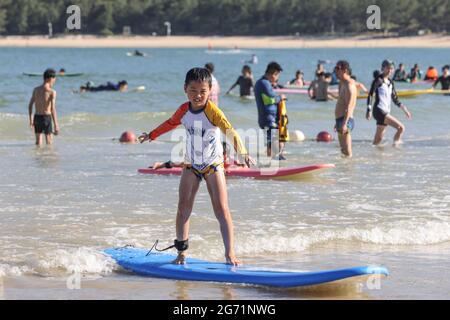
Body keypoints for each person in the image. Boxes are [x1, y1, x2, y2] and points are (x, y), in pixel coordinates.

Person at [138, 67, 253, 266]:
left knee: (222, 210)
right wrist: (152, 135)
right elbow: (170, 123)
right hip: (191, 165)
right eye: (193, 90)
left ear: (210, 91)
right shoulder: (184, 110)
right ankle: (181, 254)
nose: (198, 95)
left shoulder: (213, 111)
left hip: (213, 165)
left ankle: (230, 255)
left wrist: (242, 152)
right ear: (185, 89)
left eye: (202, 91)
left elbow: (230, 130)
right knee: (183, 208)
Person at [366, 60, 412, 146]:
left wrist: (404, 109)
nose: (390, 70)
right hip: (379, 111)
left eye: (391, 69)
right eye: (388, 68)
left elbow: (395, 98)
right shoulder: (378, 80)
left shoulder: (390, 82)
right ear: (383, 68)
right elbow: (370, 95)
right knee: (401, 128)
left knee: (377, 140)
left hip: (385, 111)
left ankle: (374, 156)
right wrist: (369, 110)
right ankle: (396, 146)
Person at [254, 62, 287, 159]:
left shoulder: (263, 83)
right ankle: (273, 165)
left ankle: (273, 162)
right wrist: (281, 98)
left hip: (269, 118)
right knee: (273, 143)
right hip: (268, 118)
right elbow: (270, 100)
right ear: (274, 73)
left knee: (273, 142)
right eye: (277, 75)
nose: (277, 79)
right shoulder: (264, 83)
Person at [28, 68, 60, 146]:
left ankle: (38, 157)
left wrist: (31, 120)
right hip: (46, 118)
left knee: (38, 143)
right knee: (49, 143)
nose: (55, 80)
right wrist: (56, 125)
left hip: (37, 117)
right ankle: (47, 157)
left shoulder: (36, 90)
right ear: (50, 78)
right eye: (54, 78)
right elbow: (53, 109)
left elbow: (30, 105)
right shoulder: (52, 92)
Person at [334, 60, 357, 157]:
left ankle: (350, 171)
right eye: (335, 69)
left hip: (346, 121)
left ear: (345, 70)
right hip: (340, 120)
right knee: (343, 151)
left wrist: (344, 124)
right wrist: (337, 122)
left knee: (348, 153)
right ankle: (343, 172)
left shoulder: (349, 85)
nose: (336, 71)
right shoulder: (342, 83)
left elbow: (349, 107)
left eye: (338, 69)